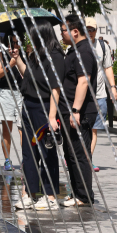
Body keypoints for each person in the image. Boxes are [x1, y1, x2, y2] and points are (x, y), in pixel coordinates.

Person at [12, 19, 64, 211]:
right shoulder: (36, 55)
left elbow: (55, 88)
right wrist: (17, 59)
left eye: (33, 34)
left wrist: (52, 117)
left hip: (44, 108)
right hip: (29, 105)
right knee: (29, 152)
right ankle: (29, 193)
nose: (30, 38)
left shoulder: (55, 56)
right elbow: (28, 77)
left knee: (46, 151)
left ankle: (50, 196)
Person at [59, 14, 98, 207]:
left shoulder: (84, 52)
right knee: (70, 153)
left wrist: (76, 110)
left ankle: (84, 196)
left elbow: (83, 81)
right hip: (69, 109)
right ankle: (77, 192)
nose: (61, 34)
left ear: (75, 31)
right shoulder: (74, 50)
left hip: (79, 112)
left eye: (63, 30)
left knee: (79, 154)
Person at [86, 17, 116, 172]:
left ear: (96, 31)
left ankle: (87, 159)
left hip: (99, 95)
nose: (90, 32)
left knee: (94, 129)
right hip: (82, 96)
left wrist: (112, 87)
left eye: (93, 29)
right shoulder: (77, 47)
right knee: (80, 129)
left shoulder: (102, 47)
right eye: (87, 29)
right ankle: (76, 155)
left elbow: (108, 68)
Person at [0, 33, 24, 171]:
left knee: (23, 129)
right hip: (6, 93)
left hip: (22, 93)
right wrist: (10, 64)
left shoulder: (24, 54)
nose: (15, 46)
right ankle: (7, 160)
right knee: (7, 129)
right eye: (12, 43)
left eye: (17, 42)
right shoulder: (2, 55)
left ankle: (26, 159)